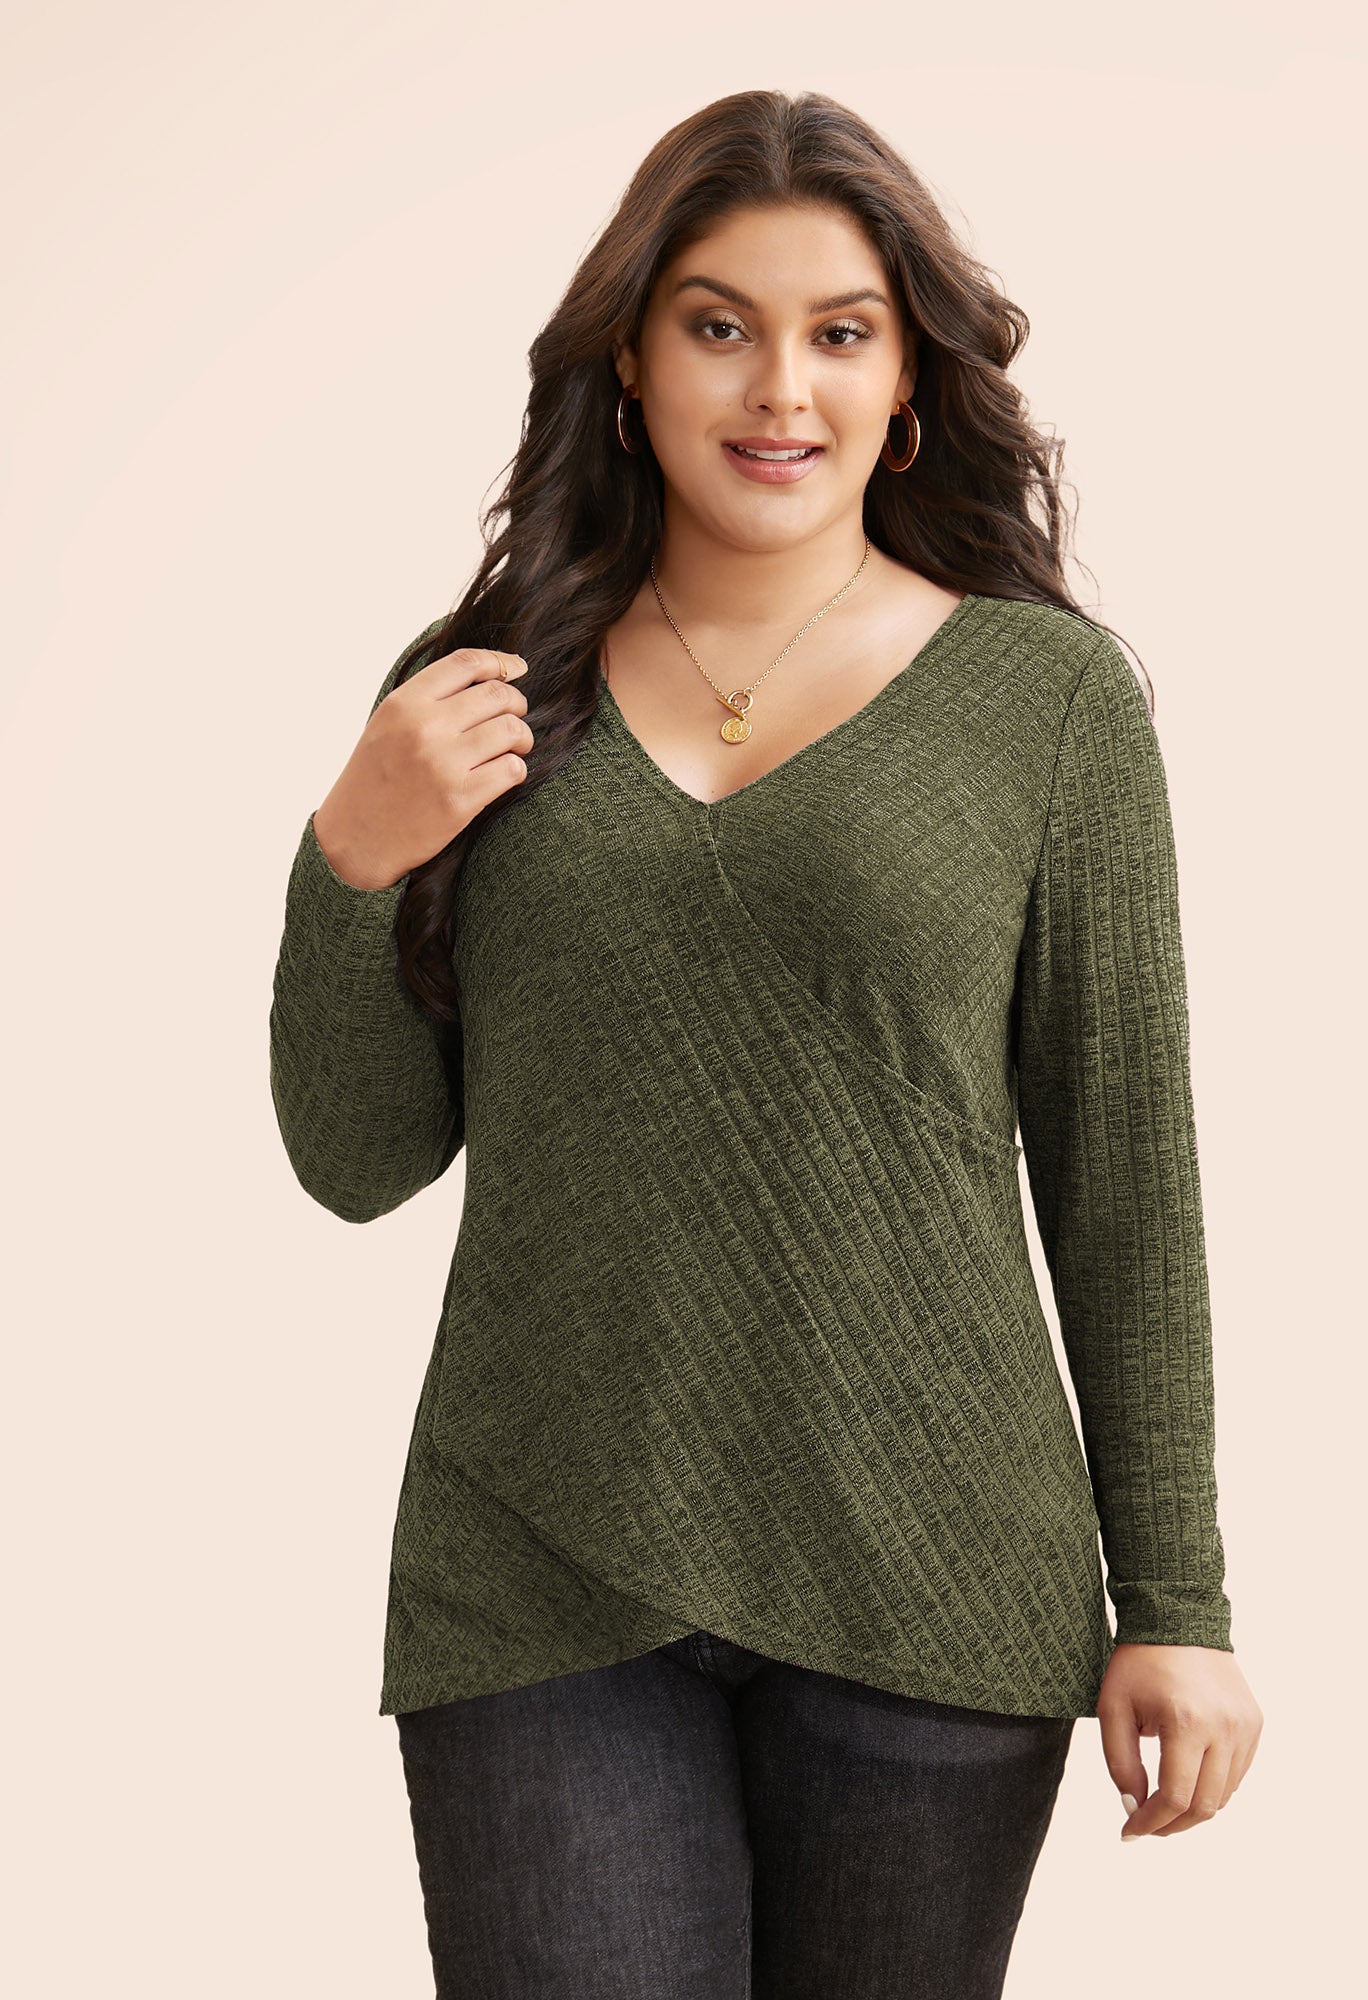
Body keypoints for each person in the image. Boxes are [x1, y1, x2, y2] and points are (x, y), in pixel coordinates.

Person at [268, 86, 1262, 1999]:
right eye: (719, 324)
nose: (779, 388)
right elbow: (355, 1158)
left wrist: (1180, 1598)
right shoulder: (477, 691)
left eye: (841, 332)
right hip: (537, 1566)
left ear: (909, 384)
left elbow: (1126, 1176)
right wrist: (349, 861)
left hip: (934, 1568)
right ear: (630, 365)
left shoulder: (1047, 704)